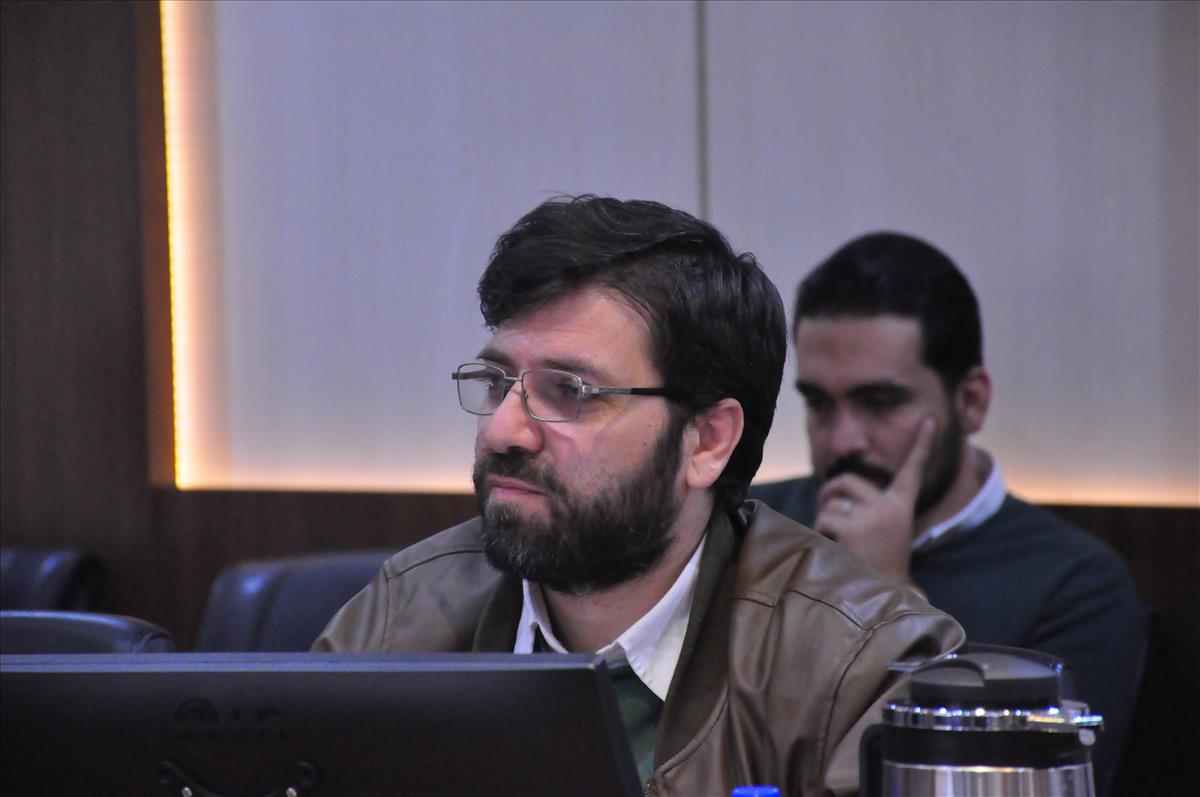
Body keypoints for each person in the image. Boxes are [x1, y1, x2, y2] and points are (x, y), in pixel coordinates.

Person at [316, 197, 963, 796]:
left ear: (707, 441)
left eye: (567, 391)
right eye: (496, 382)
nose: (502, 431)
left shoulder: (863, 667)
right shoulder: (399, 620)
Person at [750, 231, 1146, 796]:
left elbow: (1036, 781)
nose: (841, 440)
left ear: (971, 401)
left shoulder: (1075, 582)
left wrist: (885, 596)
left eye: (879, 403)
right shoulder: (756, 524)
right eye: (819, 404)